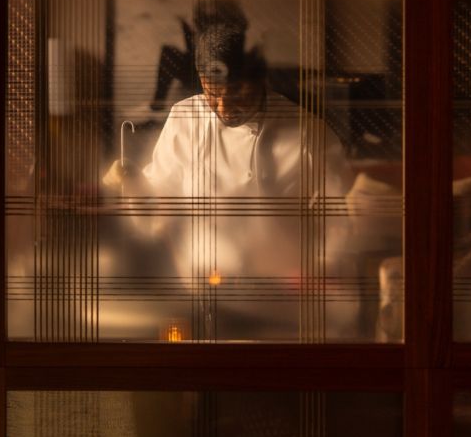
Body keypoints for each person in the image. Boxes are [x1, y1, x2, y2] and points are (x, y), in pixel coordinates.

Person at [104, 18, 355, 339]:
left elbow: (339, 221)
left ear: (258, 79)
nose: (223, 107)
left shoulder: (309, 133)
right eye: (212, 94)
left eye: (236, 93)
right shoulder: (185, 119)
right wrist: (133, 185)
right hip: (199, 297)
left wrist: (319, 271)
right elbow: (158, 213)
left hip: (281, 307)